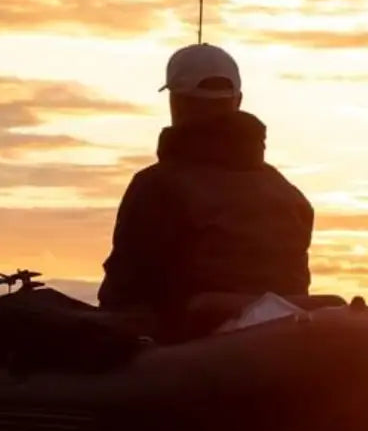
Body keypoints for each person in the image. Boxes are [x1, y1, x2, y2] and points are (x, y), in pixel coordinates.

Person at [98, 43, 315, 342]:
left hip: (180, 349)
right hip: (278, 349)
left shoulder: (155, 186)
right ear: (238, 100)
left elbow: (122, 293)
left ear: (177, 103)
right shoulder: (289, 194)